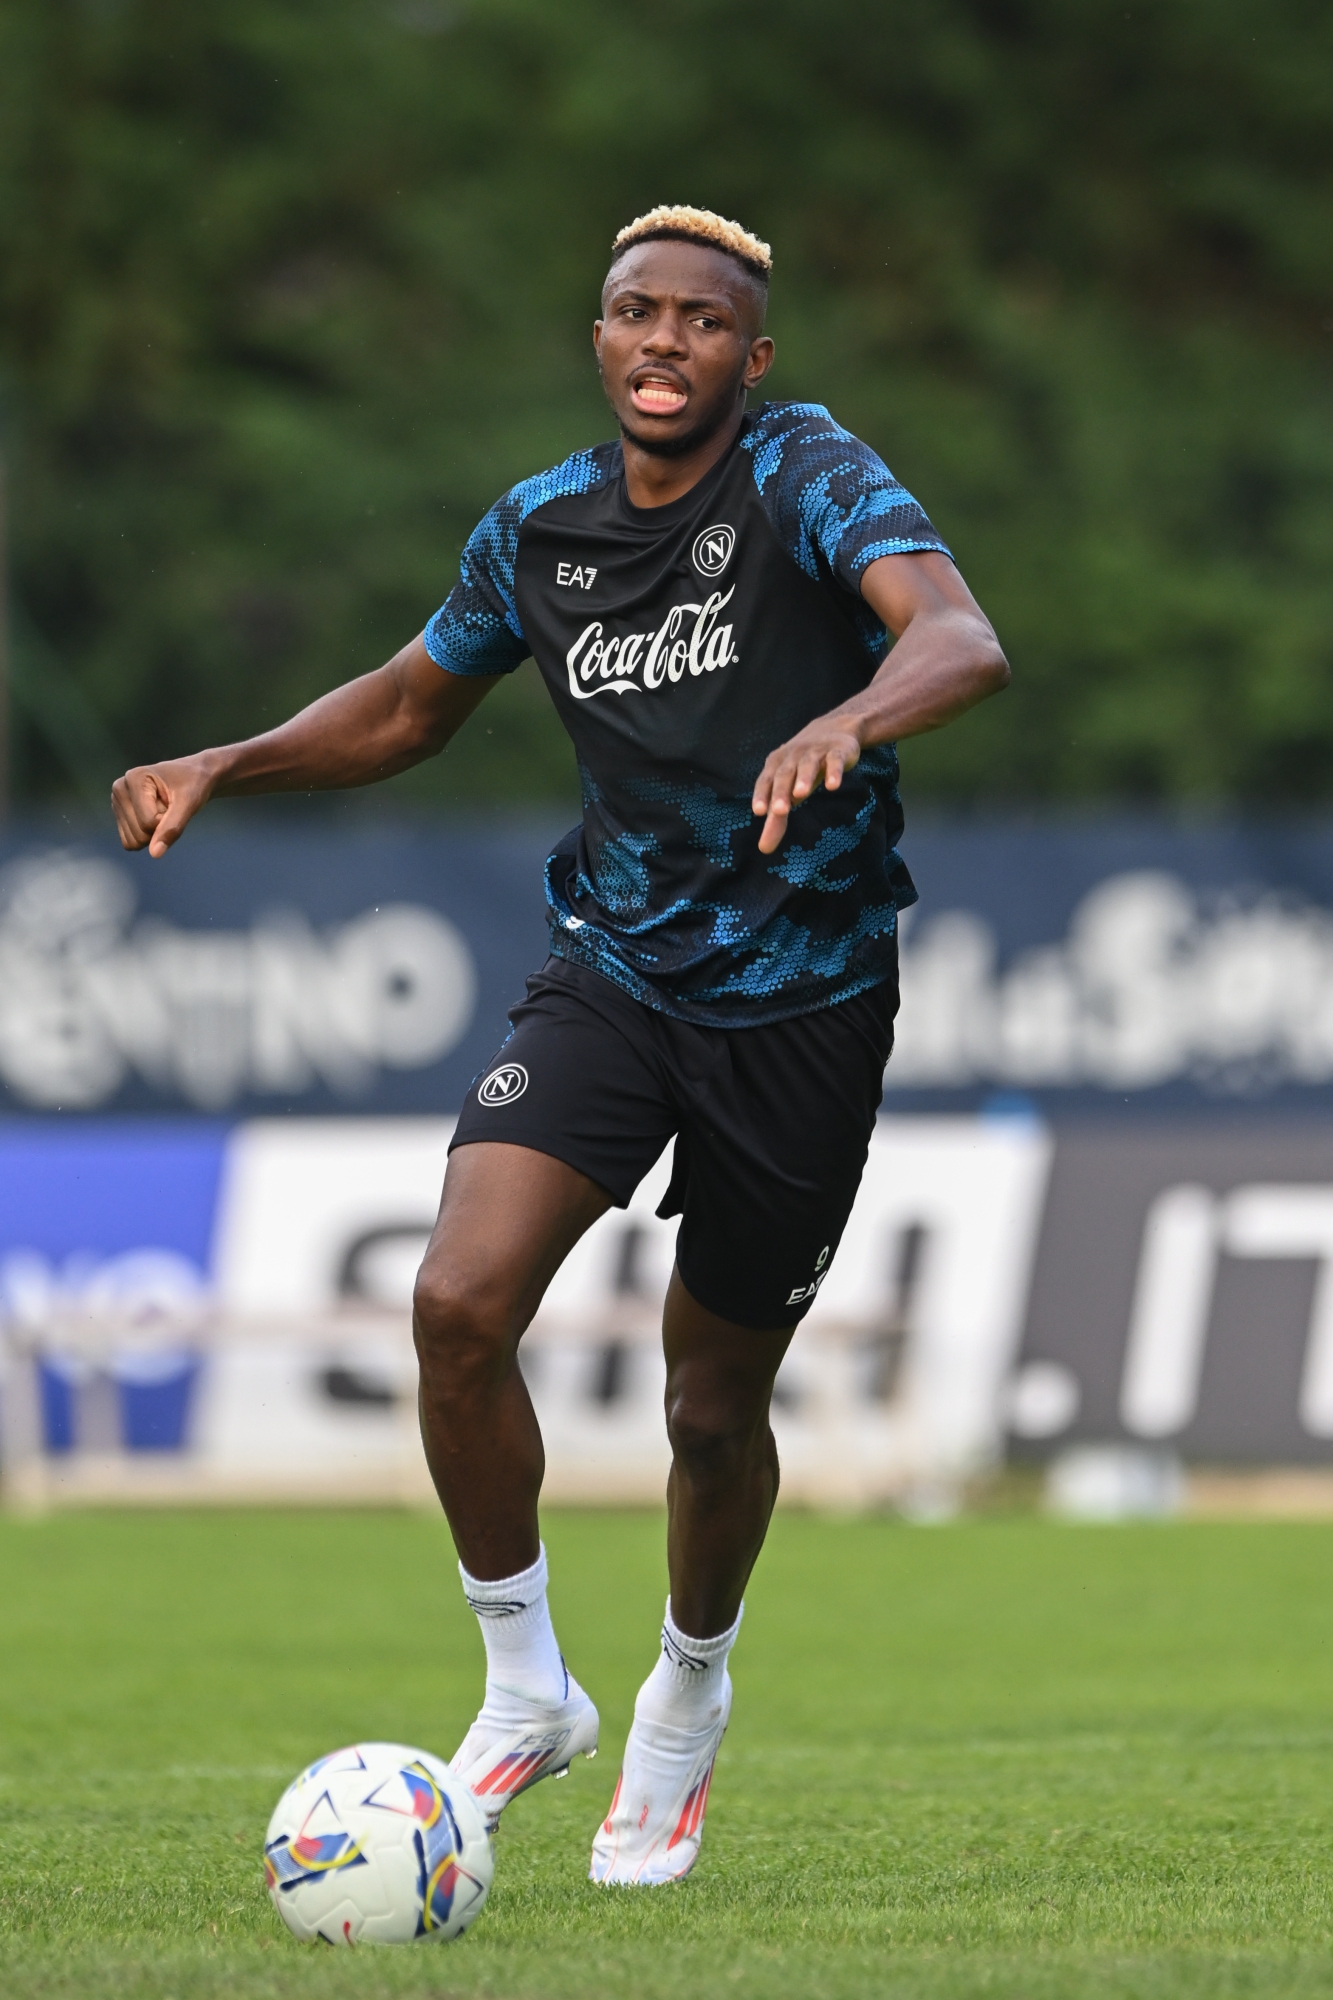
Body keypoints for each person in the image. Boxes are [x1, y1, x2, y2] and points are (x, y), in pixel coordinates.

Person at [112, 204, 1009, 1886]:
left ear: (753, 356)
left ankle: (685, 1694)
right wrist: (226, 761)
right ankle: (526, 1687)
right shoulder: (536, 529)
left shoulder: (809, 475)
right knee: (455, 1304)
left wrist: (848, 713)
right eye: (630, 314)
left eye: (699, 322)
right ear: (597, 339)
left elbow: (959, 638)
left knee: (708, 1408)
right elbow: (400, 709)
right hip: (609, 977)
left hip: (800, 1014)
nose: (661, 342)